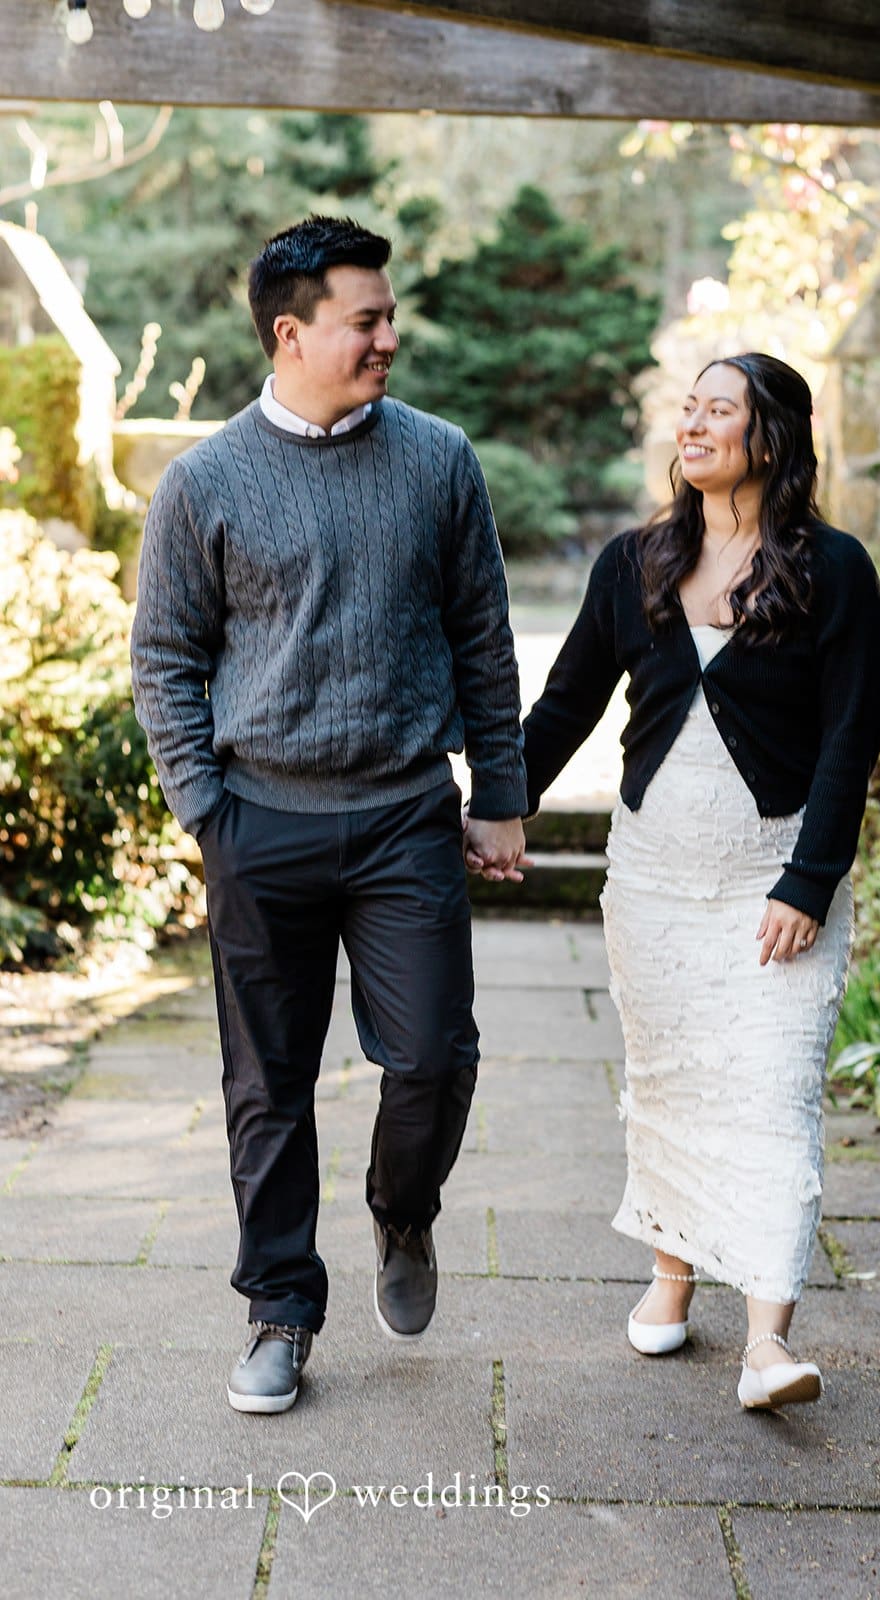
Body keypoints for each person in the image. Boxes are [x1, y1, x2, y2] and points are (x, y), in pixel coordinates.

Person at [131, 215, 528, 1415]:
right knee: (268, 1085)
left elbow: (482, 638)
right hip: (262, 822)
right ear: (291, 333)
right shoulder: (202, 481)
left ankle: (401, 1213)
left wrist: (499, 796)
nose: (389, 338)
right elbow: (164, 658)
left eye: (388, 315)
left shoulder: (437, 459)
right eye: (366, 319)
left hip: (406, 816)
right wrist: (208, 810)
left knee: (431, 1059)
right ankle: (279, 1312)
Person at [506, 352, 880, 1410]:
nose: (693, 423)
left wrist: (809, 881)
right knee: (670, 1083)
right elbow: (566, 704)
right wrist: (499, 805)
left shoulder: (835, 570)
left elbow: (848, 740)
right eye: (688, 407)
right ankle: (670, 1277)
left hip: (773, 884)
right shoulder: (634, 561)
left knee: (771, 1093)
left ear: (769, 436)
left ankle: (768, 1338)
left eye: (718, 408)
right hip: (653, 886)